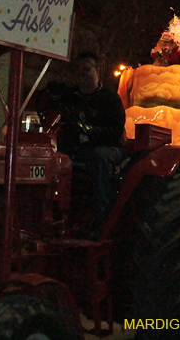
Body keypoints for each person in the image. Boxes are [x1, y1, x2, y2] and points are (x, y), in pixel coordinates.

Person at [44, 52, 126, 236]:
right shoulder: (70, 97)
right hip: (75, 149)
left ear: (97, 72)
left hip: (105, 148)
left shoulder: (110, 99)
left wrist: (89, 131)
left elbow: (114, 132)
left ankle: (102, 221)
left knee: (100, 158)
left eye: (87, 69)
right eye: (78, 70)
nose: (82, 74)